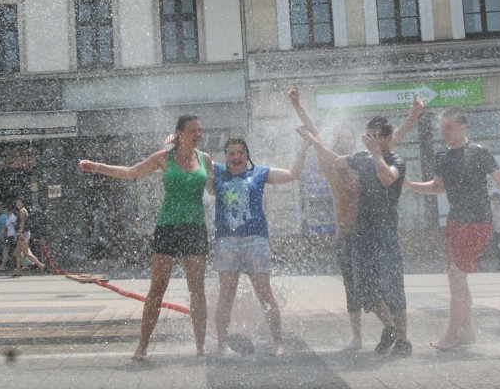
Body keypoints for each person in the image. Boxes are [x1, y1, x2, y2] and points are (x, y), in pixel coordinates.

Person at [288, 84, 422, 351]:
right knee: (360, 290)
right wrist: (298, 109)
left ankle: (399, 336)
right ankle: (379, 331)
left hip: (378, 233)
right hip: (352, 234)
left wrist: (412, 117)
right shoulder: (348, 162)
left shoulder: (377, 158)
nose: (353, 140)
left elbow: (391, 144)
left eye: (352, 136)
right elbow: (323, 144)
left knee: (389, 287)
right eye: (344, 137)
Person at [78, 114, 213, 361]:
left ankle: (200, 345)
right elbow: (131, 172)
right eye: (193, 131)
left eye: (200, 131)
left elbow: (215, 189)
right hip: (168, 227)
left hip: (195, 228)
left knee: (197, 290)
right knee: (157, 288)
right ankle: (142, 345)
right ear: (180, 133)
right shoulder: (163, 158)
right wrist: (96, 167)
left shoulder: (205, 159)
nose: (198, 135)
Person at [403, 108, 500, 351]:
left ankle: (453, 334)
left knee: (456, 276)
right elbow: (437, 187)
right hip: (455, 221)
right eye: (442, 127)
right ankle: (468, 333)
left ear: (463, 126)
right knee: (457, 279)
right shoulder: (442, 156)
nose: (444, 132)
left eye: (449, 127)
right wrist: (411, 185)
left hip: (477, 221)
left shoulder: (479, 152)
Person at [212, 136, 309, 357]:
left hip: (256, 240)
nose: (236, 157)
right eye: (231, 153)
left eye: (240, 152)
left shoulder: (259, 173)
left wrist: (304, 146)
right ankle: (221, 344)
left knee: (265, 293)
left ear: (247, 155)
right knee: (226, 295)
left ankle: (278, 341)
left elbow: (293, 174)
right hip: (226, 241)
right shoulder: (217, 172)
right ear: (225, 157)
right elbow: (195, 160)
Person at [13, 198, 45, 276]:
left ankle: (40, 265)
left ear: (22, 203)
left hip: (23, 233)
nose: (17, 203)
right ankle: (19, 270)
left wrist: (20, 232)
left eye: (19, 202)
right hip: (25, 233)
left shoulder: (21, 211)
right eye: (16, 202)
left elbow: (22, 222)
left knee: (25, 253)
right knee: (19, 252)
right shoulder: (24, 210)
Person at [0, 205, 9, 272]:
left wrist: (3, 236)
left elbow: (3, 227)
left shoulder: (3, 216)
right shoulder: (4, 216)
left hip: (0, 236)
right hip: (0, 235)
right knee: (1, 250)